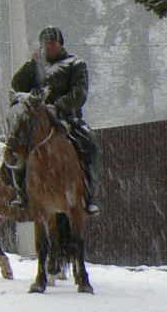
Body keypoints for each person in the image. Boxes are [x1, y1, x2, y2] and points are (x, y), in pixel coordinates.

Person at [7, 25, 100, 214]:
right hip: (37, 121)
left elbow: (79, 93)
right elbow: (17, 85)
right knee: (18, 144)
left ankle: (89, 195)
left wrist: (58, 106)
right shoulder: (36, 66)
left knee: (90, 144)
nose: (49, 47)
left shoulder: (75, 64)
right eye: (45, 43)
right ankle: (22, 193)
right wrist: (31, 64)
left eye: (53, 43)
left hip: (67, 118)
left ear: (60, 44)